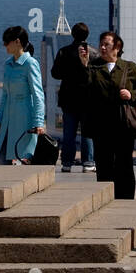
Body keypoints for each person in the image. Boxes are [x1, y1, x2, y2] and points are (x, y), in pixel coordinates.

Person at [75, 31, 136, 199]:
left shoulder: (129, 67)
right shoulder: (93, 67)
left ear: (117, 47)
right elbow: (83, 90)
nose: (102, 47)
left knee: (125, 163)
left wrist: (132, 94)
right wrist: (84, 65)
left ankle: (126, 199)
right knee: (103, 165)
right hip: (101, 124)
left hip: (123, 124)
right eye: (101, 44)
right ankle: (106, 199)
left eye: (106, 44)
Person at [0, 26, 45, 164]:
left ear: (17, 42)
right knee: (2, 158)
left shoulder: (30, 64)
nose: (4, 45)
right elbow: (5, 94)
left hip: (24, 119)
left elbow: (38, 94)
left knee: (22, 158)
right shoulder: (8, 65)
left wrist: (39, 122)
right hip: (8, 121)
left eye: (7, 42)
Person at [51, 21, 97, 173]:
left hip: (68, 98)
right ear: (87, 35)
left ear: (72, 34)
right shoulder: (94, 53)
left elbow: (55, 73)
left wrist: (68, 72)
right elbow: (98, 76)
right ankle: (88, 161)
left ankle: (66, 162)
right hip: (88, 99)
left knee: (68, 133)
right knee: (88, 132)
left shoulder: (64, 52)